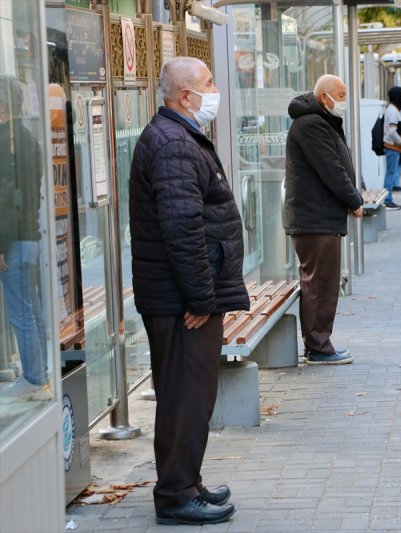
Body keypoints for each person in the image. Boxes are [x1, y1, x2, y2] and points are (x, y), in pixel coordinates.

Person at [129, 56, 247, 525]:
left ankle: (187, 481)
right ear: (185, 95)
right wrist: (202, 298)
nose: (215, 90)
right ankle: (176, 494)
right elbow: (182, 228)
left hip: (182, 297)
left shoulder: (177, 136)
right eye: (209, 83)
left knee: (191, 396)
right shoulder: (174, 143)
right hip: (182, 303)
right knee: (184, 397)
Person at [284, 74, 363, 364]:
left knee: (324, 282)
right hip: (314, 218)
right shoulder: (311, 124)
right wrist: (354, 200)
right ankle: (318, 346)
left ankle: (319, 343)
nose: (343, 101)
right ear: (323, 96)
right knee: (320, 283)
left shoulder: (318, 121)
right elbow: (331, 169)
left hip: (320, 217)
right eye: (340, 95)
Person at [0, 74, 50, 403]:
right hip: (30, 236)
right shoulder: (29, 139)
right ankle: (41, 374)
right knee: (32, 309)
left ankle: (33, 378)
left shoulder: (6, 141)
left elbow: (7, 199)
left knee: (20, 312)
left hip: (14, 240)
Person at [382, 86, 401, 209]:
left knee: (391, 172)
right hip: (392, 147)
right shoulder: (392, 111)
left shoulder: (394, 110)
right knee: (390, 173)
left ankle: (388, 198)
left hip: (393, 147)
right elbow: (392, 131)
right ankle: (387, 200)